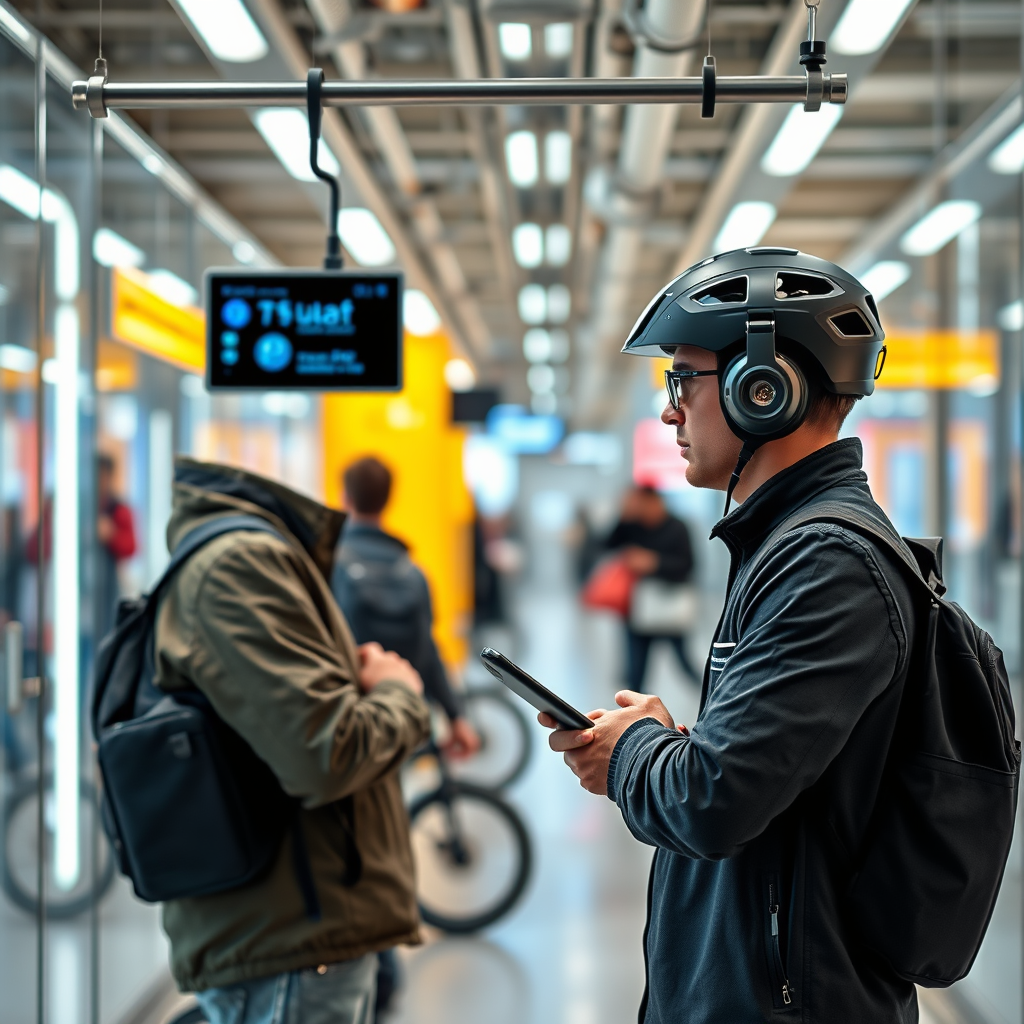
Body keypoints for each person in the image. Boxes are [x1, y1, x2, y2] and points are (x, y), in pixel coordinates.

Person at [543, 249, 924, 1022]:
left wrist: (635, 754)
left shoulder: (826, 561)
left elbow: (713, 803)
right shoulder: (789, 542)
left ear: (765, 387)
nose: (670, 411)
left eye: (683, 380)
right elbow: (774, 774)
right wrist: (668, 741)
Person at [154, 457, 431, 1024]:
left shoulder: (260, 556)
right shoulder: (241, 565)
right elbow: (326, 755)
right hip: (291, 940)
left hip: (301, 929)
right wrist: (401, 692)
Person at [331, 456, 481, 1019]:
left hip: (345, 724)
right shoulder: (412, 572)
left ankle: (364, 958)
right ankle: (386, 955)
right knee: (384, 831)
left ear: (347, 496)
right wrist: (455, 715)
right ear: (387, 499)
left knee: (343, 841)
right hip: (397, 723)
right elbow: (426, 650)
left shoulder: (333, 564)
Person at [605, 485, 700, 692]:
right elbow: (606, 545)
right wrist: (622, 516)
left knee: (685, 663)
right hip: (637, 607)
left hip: (669, 605)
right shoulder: (632, 525)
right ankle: (633, 716)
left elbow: (688, 566)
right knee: (635, 671)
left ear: (657, 501)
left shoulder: (678, 527)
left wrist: (653, 563)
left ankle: (711, 698)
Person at [96, 453, 137, 639]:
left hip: (108, 589)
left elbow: (131, 547)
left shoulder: (118, 509)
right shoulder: (76, 506)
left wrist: (111, 535)